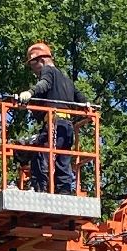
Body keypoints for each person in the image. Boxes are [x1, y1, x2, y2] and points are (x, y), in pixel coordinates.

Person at [18, 42, 86, 195]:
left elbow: (44, 84)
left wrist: (30, 92)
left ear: (40, 60)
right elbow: (80, 97)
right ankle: (64, 191)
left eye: (32, 65)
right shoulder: (66, 79)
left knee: (40, 153)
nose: (33, 71)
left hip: (54, 122)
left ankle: (38, 188)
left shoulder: (47, 71)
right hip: (67, 126)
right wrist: (88, 108)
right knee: (63, 161)